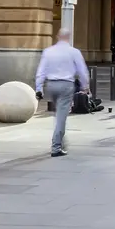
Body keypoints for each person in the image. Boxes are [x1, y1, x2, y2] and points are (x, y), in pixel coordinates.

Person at [34, 27, 89, 157]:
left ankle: (61, 141)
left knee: (59, 115)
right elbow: (82, 71)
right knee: (61, 117)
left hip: (51, 85)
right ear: (68, 37)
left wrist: (39, 88)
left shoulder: (48, 52)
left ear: (58, 36)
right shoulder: (74, 52)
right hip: (66, 85)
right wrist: (85, 86)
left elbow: (41, 72)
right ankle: (56, 147)